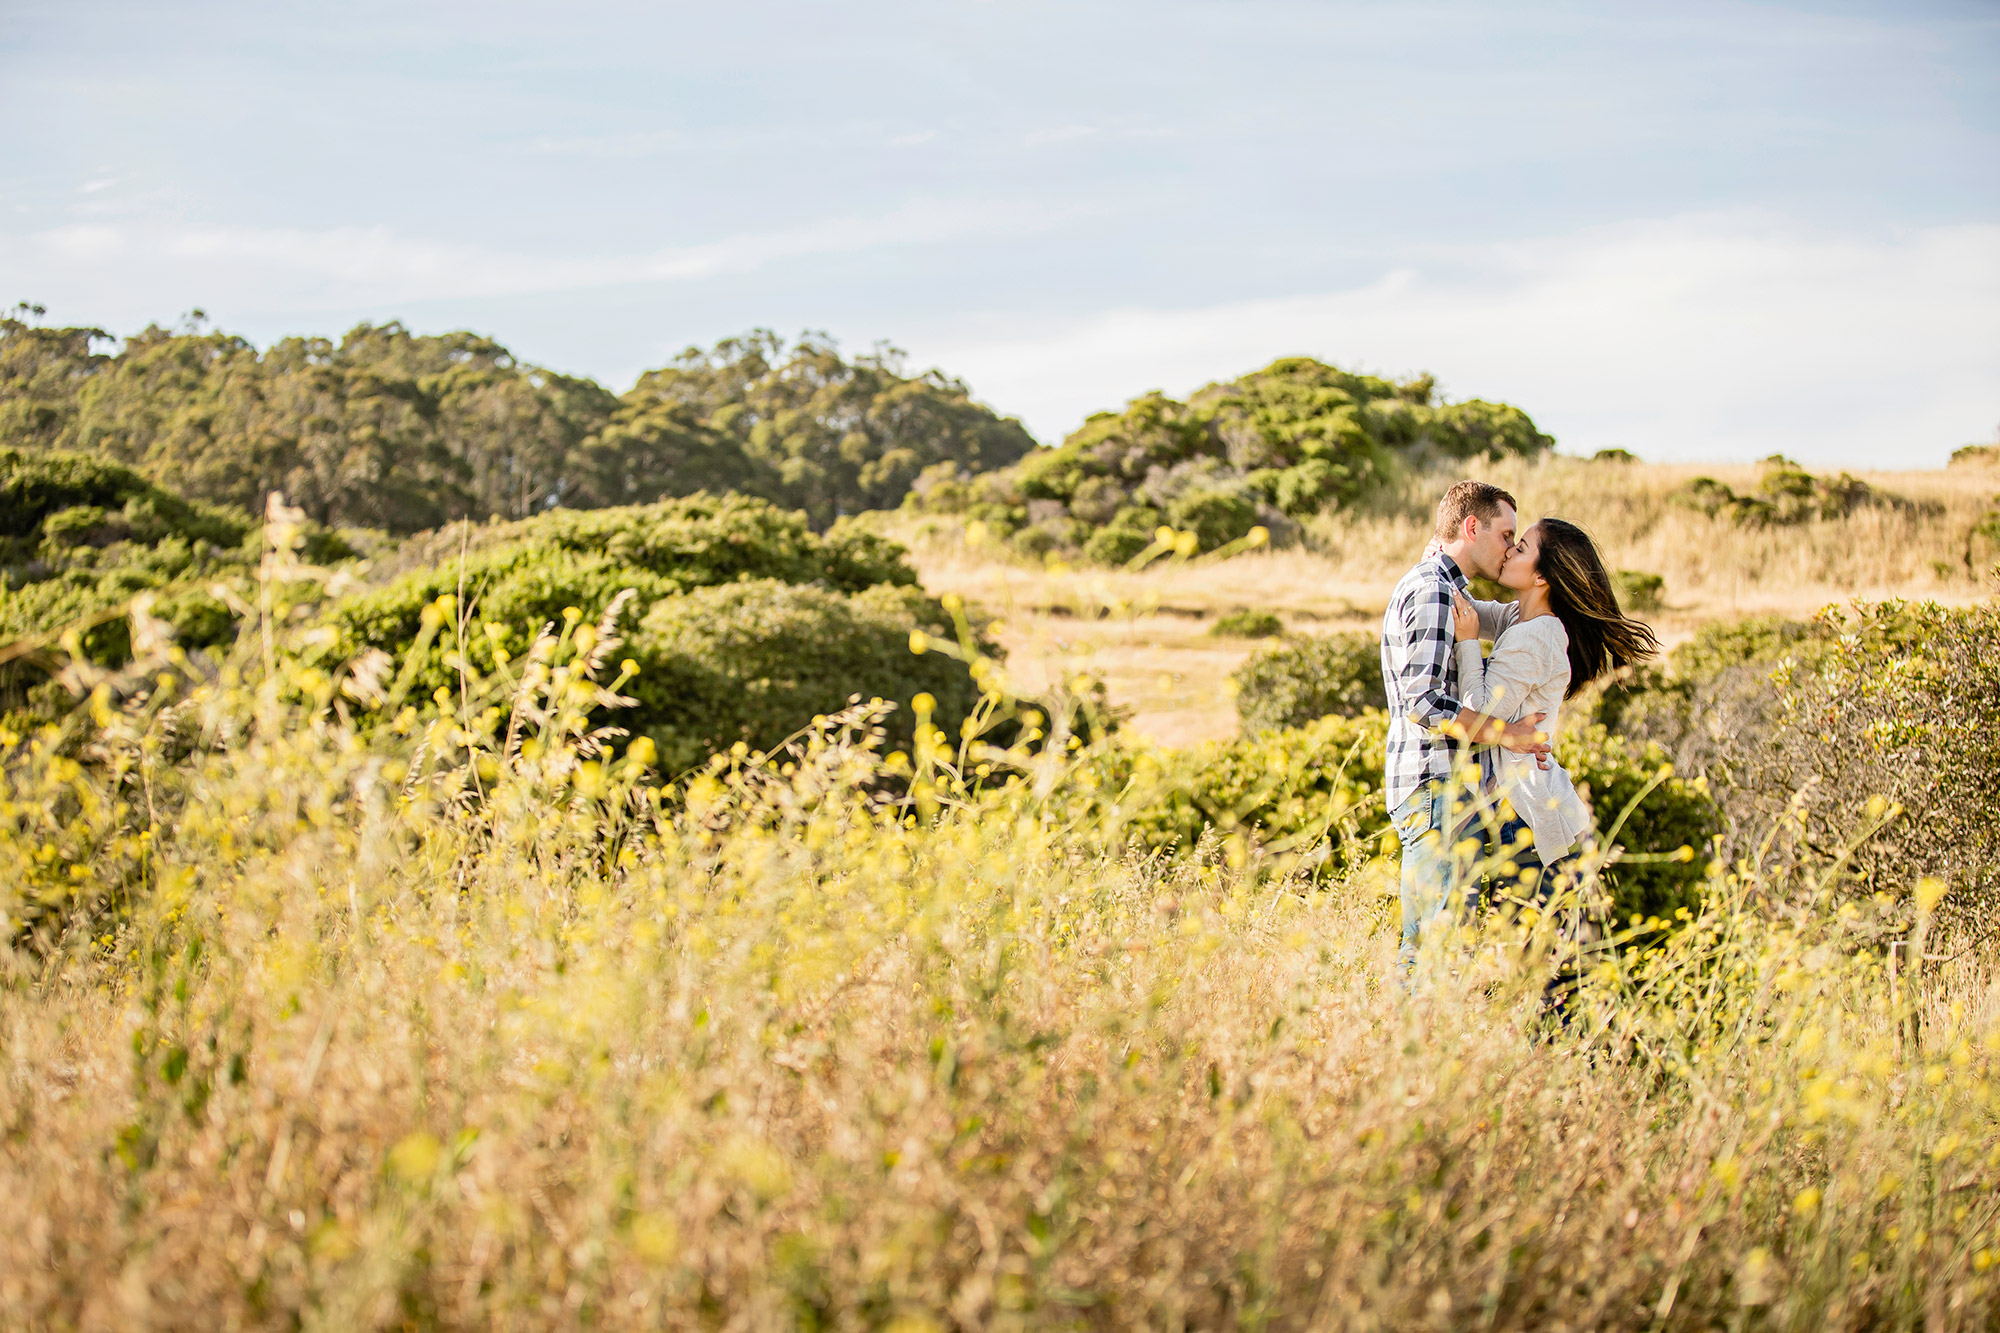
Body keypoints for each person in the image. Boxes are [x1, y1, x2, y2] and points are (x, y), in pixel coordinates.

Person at [1448, 516, 1661, 1017]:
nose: (1508, 552)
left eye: (1519, 547)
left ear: (1541, 576)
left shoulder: (1536, 637)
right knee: (1530, 965)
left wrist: (1465, 643)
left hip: (1530, 821)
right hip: (1527, 813)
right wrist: (1441, 560)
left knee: (1540, 974)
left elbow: (1481, 708)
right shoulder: (1527, 621)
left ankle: (1562, 1074)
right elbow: (1472, 608)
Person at [1381, 480, 1552, 977]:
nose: (1509, 549)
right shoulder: (1434, 589)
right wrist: (1509, 734)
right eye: (1505, 535)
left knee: (1441, 940)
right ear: (1472, 527)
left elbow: (1513, 616)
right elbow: (1425, 703)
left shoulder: (1446, 586)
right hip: (1438, 787)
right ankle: (1412, 1049)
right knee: (1433, 942)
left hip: (1447, 789)